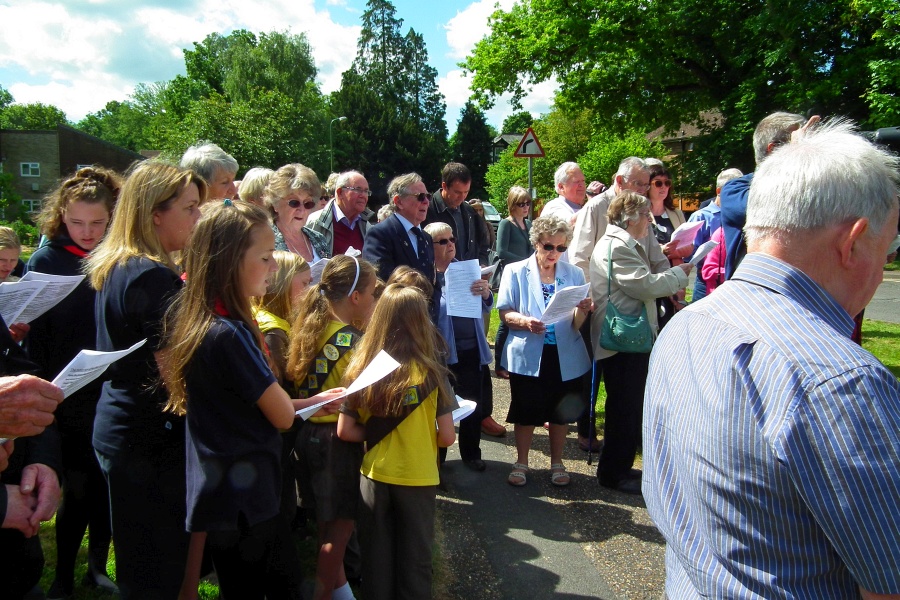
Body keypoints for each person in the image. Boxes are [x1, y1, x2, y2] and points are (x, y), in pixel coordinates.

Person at [645, 120, 900, 597]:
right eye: (887, 253)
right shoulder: (842, 381)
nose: (882, 274)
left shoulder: (685, 327)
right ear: (853, 240)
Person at [161, 200, 346, 600]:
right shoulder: (231, 336)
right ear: (230, 262)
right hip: (248, 502)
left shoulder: (199, 318)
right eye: (265, 257)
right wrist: (305, 405)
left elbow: (258, 403)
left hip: (224, 493)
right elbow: (279, 415)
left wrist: (313, 400)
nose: (275, 267)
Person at [85, 159, 207, 599]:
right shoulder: (153, 279)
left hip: (122, 429)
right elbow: (178, 378)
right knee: (157, 572)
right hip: (149, 442)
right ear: (156, 212)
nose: (198, 218)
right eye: (190, 208)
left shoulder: (119, 265)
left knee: (142, 562)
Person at [27, 166, 121, 599]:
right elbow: (35, 334)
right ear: (60, 216)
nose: (86, 232)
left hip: (109, 383)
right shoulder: (46, 261)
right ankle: (63, 575)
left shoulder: (117, 254)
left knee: (106, 489)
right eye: (76, 223)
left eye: (97, 223)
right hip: (65, 392)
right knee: (78, 488)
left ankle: (97, 568)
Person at [336, 284, 456, 600]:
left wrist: (378, 433)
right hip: (418, 478)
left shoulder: (360, 368)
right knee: (415, 563)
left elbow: (345, 430)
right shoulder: (434, 373)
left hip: (374, 476)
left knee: (376, 562)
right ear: (421, 322)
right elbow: (447, 436)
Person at [287, 255, 377, 600]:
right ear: (355, 297)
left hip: (307, 438)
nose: (373, 300)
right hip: (336, 443)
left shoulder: (309, 327)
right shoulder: (354, 341)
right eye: (370, 293)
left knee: (325, 529)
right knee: (336, 538)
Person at [589, 191, 691, 495]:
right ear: (630, 217)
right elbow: (644, 285)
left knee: (627, 404)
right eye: (645, 215)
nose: (650, 221)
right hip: (622, 339)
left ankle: (618, 467)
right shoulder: (617, 247)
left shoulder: (621, 244)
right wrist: (678, 275)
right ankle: (613, 473)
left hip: (627, 338)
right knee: (624, 405)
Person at [497, 215, 592, 487]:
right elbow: (504, 312)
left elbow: (575, 325)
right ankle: (522, 461)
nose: (555, 254)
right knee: (525, 409)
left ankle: (557, 461)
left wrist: (583, 310)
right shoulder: (515, 271)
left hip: (564, 353)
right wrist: (526, 322)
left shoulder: (573, 273)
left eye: (561, 248)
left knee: (560, 411)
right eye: (549, 246)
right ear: (536, 243)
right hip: (529, 351)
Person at [425, 222, 494, 470]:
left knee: (472, 404)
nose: (450, 244)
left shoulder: (465, 270)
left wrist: (485, 293)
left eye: (452, 239)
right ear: (429, 246)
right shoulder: (426, 276)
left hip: (471, 349)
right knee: (441, 409)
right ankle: (437, 461)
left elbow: (487, 307)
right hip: (442, 354)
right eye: (442, 241)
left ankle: (471, 453)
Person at [719, 111, 808, 279]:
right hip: (753, 300)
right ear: (773, 149)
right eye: (799, 146)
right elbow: (769, 205)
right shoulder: (735, 190)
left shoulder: (811, 187)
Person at [363, 173, 440, 319]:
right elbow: (381, 282)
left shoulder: (426, 238)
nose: (426, 202)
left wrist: (430, 316)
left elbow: (434, 281)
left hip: (425, 324)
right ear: (398, 201)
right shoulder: (380, 234)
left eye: (428, 197)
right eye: (420, 197)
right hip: (396, 321)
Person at [491, 186, 533, 384]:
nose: (525, 207)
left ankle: (515, 361)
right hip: (512, 275)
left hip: (528, 276)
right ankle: (499, 364)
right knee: (506, 319)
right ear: (512, 205)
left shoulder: (529, 224)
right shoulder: (506, 224)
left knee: (522, 315)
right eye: (521, 203)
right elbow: (502, 252)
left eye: (527, 203)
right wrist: (525, 260)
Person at [687, 167, 743, 301]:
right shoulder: (701, 216)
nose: (737, 196)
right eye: (733, 191)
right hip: (704, 281)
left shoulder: (739, 217)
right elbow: (688, 252)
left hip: (731, 281)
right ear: (719, 191)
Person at [423, 162, 489, 265]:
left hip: (470, 277)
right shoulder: (426, 211)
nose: (462, 197)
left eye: (466, 192)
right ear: (444, 186)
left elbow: (483, 244)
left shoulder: (470, 212)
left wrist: (482, 264)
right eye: (457, 192)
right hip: (439, 277)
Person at [265, 163, 330, 264]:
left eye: (308, 203)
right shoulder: (266, 241)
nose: (302, 210)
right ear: (275, 204)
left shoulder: (318, 238)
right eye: (294, 202)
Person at [306, 171, 376, 256]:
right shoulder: (316, 223)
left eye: (366, 191)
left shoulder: (366, 226)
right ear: (339, 193)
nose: (364, 196)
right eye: (358, 190)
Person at [540, 162, 586, 226]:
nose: (582, 185)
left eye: (583, 181)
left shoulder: (581, 208)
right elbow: (570, 223)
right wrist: (592, 203)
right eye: (577, 181)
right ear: (561, 187)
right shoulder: (553, 207)